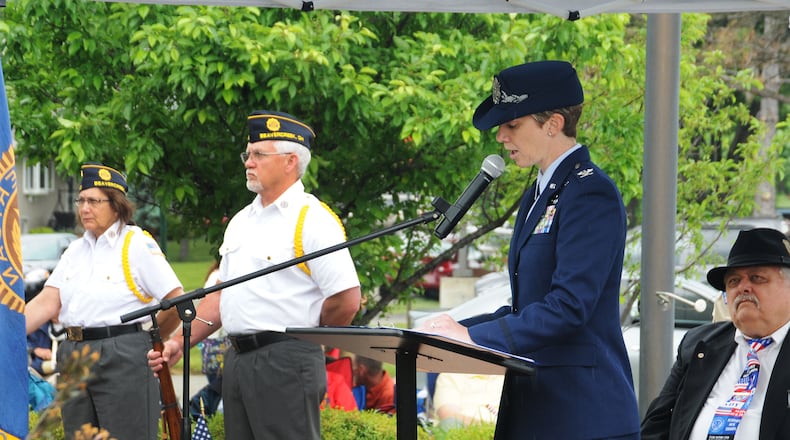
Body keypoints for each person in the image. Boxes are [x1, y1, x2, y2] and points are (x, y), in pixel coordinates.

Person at [414, 60, 640, 439]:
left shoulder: (589, 192)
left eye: (513, 124)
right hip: (539, 407)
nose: (501, 136)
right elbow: (526, 307)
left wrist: (473, 338)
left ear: (553, 123)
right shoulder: (541, 191)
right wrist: (452, 330)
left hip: (582, 413)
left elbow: (569, 307)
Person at [148, 110, 362, 439]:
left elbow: (347, 299)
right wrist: (179, 342)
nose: (248, 161)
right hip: (238, 359)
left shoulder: (313, 219)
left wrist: (309, 338)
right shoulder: (241, 221)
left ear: (291, 161)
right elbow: (221, 296)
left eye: (259, 154)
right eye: (247, 154)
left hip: (286, 359)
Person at [24, 163, 185, 439]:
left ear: (116, 205)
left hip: (122, 354)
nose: (85, 208)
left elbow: (177, 300)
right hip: (74, 352)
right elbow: (47, 302)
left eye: (94, 201)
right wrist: (7, 331)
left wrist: (152, 340)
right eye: (82, 200)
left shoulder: (136, 244)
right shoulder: (75, 250)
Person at [641, 227, 790, 440]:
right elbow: (654, 428)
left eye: (757, 278)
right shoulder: (699, 344)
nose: (743, 288)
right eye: (734, 281)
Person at [431, 373, 504, 429]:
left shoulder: (510, 376)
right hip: (463, 431)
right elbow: (449, 416)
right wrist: (490, 429)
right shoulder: (451, 375)